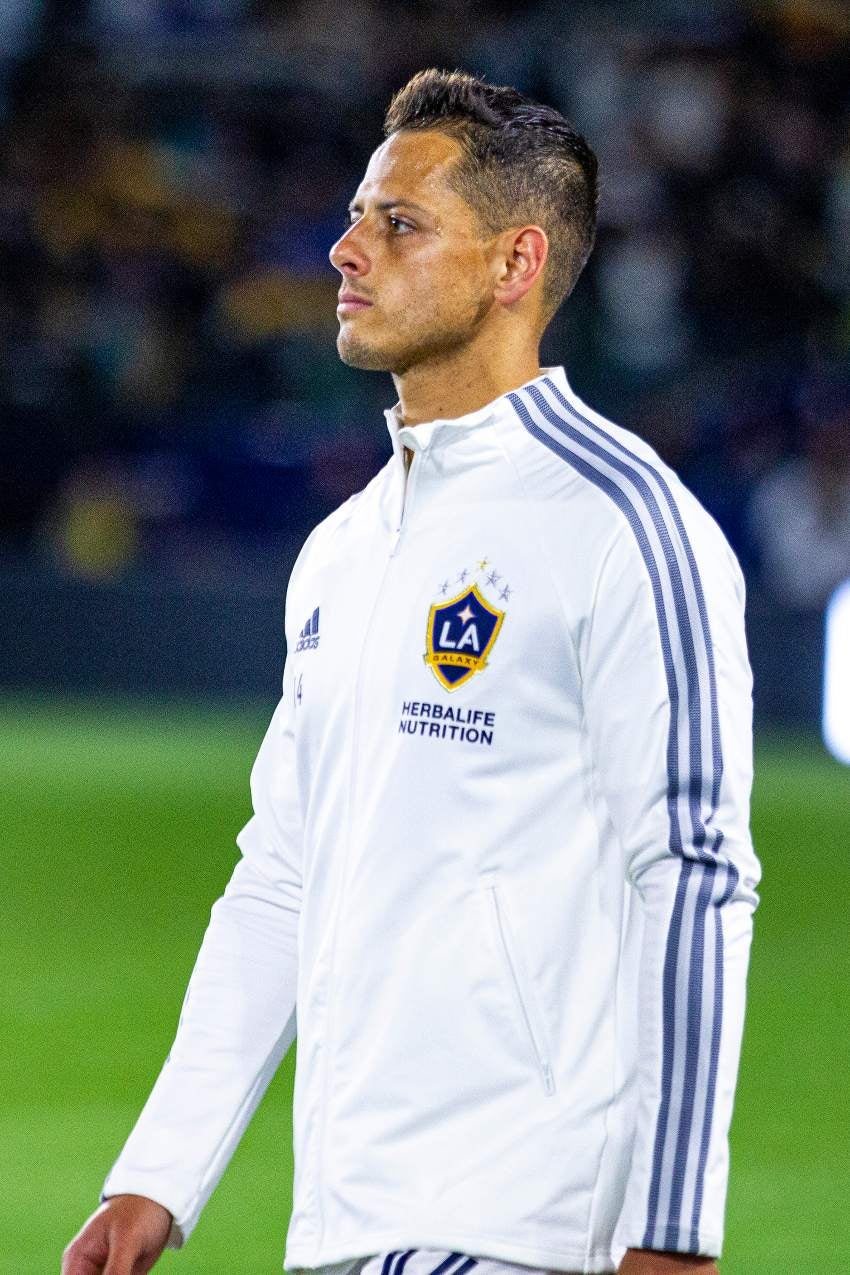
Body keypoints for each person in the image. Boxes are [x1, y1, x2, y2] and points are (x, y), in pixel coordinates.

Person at [63, 70, 760, 1275]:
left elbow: (693, 873)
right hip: (345, 1227)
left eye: (399, 222)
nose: (344, 249)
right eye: (353, 215)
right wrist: (159, 1174)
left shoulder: (628, 524)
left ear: (514, 263)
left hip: (529, 1230)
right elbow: (282, 874)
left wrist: (674, 1229)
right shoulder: (344, 547)